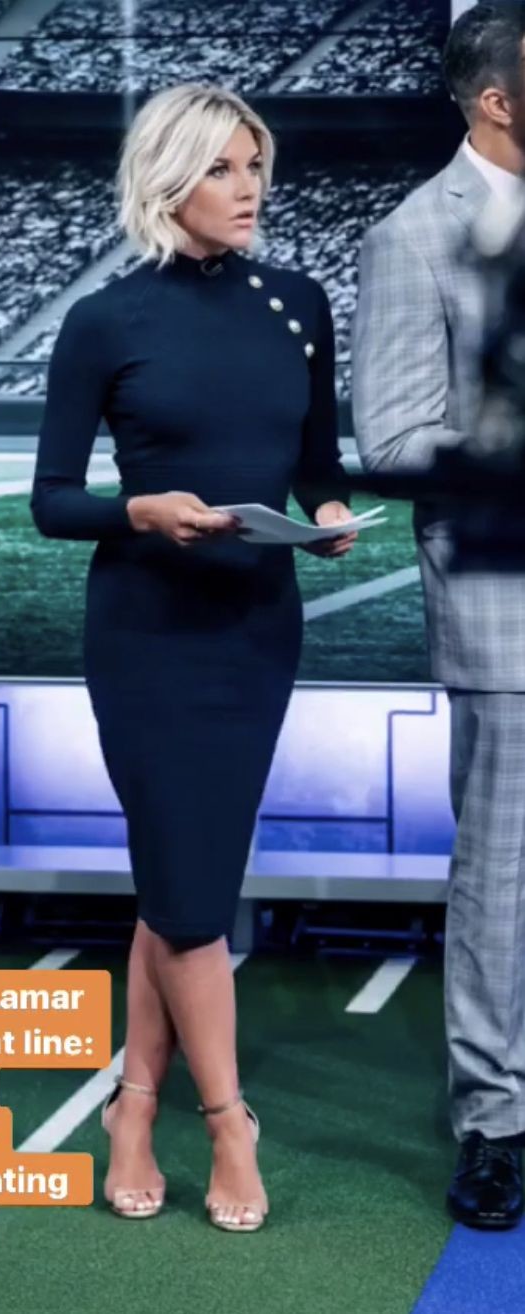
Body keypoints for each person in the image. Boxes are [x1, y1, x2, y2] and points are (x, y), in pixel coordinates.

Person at [30, 83, 355, 1232]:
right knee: (190, 890)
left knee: (184, 883)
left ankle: (133, 1107)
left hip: (255, 628)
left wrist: (328, 511)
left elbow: (318, 461)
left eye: (254, 165)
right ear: (167, 178)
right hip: (147, 634)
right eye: (221, 167)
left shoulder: (299, 303)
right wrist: (140, 510)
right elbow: (52, 500)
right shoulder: (104, 319)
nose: (248, 187)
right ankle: (227, 1124)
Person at [352, 1, 525, 1231]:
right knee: (503, 884)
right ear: (497, 98)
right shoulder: (412, 235)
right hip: (507, 615)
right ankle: (496, 1120)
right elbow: (395, 437)